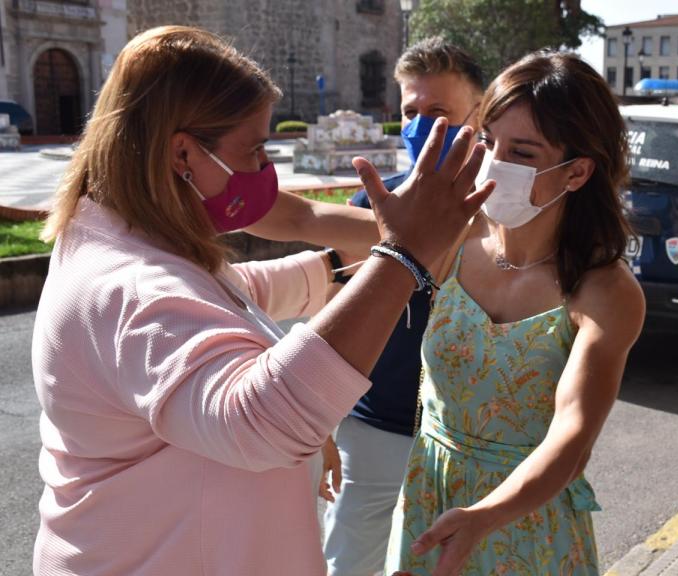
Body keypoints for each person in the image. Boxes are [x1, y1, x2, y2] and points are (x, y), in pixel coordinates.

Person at [31, 26, 491, 576]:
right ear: (182, 152)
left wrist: (334, 271)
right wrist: (403, 258)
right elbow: (264, 422)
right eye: (253, 149)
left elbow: (228, 294)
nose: (262, 168)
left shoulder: (121, 237)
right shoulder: (129, 287)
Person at [384, 51, 646, 576]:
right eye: (488, 142)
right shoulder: (454, 235)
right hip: (427, 505)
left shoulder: (604, 290)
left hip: (527, 529)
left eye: (522, 153)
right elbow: (312, 223)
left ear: (576, 172)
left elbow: (572, 438)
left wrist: (485, 516)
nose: (492, 163)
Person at [321, 36, 485, 576]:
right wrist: (320, 422)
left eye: (439, 112)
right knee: (345, 565)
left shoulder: (509, 217)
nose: (421, 126)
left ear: (478, 113)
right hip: (370, 428)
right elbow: (333, 314)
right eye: (411, 111)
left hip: (464, 441)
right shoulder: (370, 203)